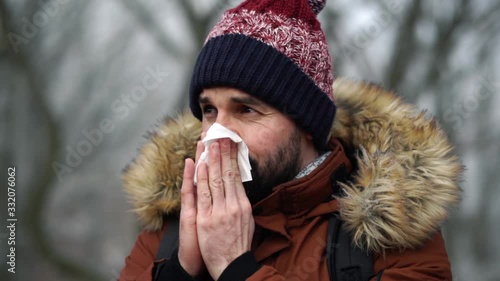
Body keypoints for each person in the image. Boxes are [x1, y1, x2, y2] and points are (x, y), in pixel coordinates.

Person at [119, 0, 463, 280]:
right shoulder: (170, 230)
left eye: (246, 110)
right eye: (209, 110)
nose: (217, 135)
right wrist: (179, 273)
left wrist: (235, 268)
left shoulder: (393, 235)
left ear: (306, 124)